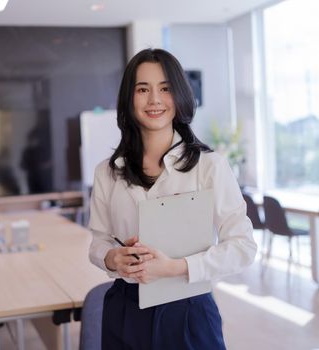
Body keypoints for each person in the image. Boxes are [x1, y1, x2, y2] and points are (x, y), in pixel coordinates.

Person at [88, 48, 257, 349]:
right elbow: (98, 242)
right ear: (129, 99)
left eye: (165, 88)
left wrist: (178, 267)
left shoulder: (209, 166)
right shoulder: (107, 172)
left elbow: (243, 247)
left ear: (179, 95)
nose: (154, 100)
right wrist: (112, 258)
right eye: (143, 89)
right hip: (125, 310)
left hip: (188, 309)